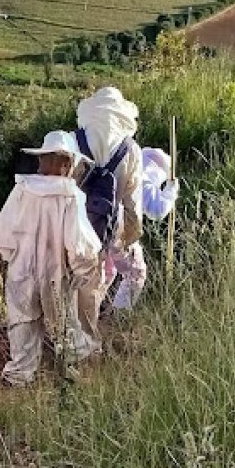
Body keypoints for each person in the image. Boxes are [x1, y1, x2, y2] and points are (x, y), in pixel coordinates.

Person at [0, 131, 102, 387]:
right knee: (64, 325)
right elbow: (79, 244)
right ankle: (70, 374)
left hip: (21, 268)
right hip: (56, 273)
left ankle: (19, 377)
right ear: (67, 163)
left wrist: (11, 257)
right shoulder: (70, 197)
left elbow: (5, 231)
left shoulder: (21, 189)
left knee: (22, 322)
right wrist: (81, 270)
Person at [74, 87, 144, 319]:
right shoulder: (130, 149)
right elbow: (132, 198)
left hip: (75, 224)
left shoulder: (76, 140)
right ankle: (116, 320)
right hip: (113, 223)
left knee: (78, 278)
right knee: (135, 271)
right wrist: (132, 232)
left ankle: (72, 328)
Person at [103, 147, 179, 310]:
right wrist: (171, 190)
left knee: (106, 272)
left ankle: (91, 315)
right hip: (120, 232)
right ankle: (119, 317)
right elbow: (156, 210)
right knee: (135, 272)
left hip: (100, 226)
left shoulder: (125, 168)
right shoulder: (143, 179)